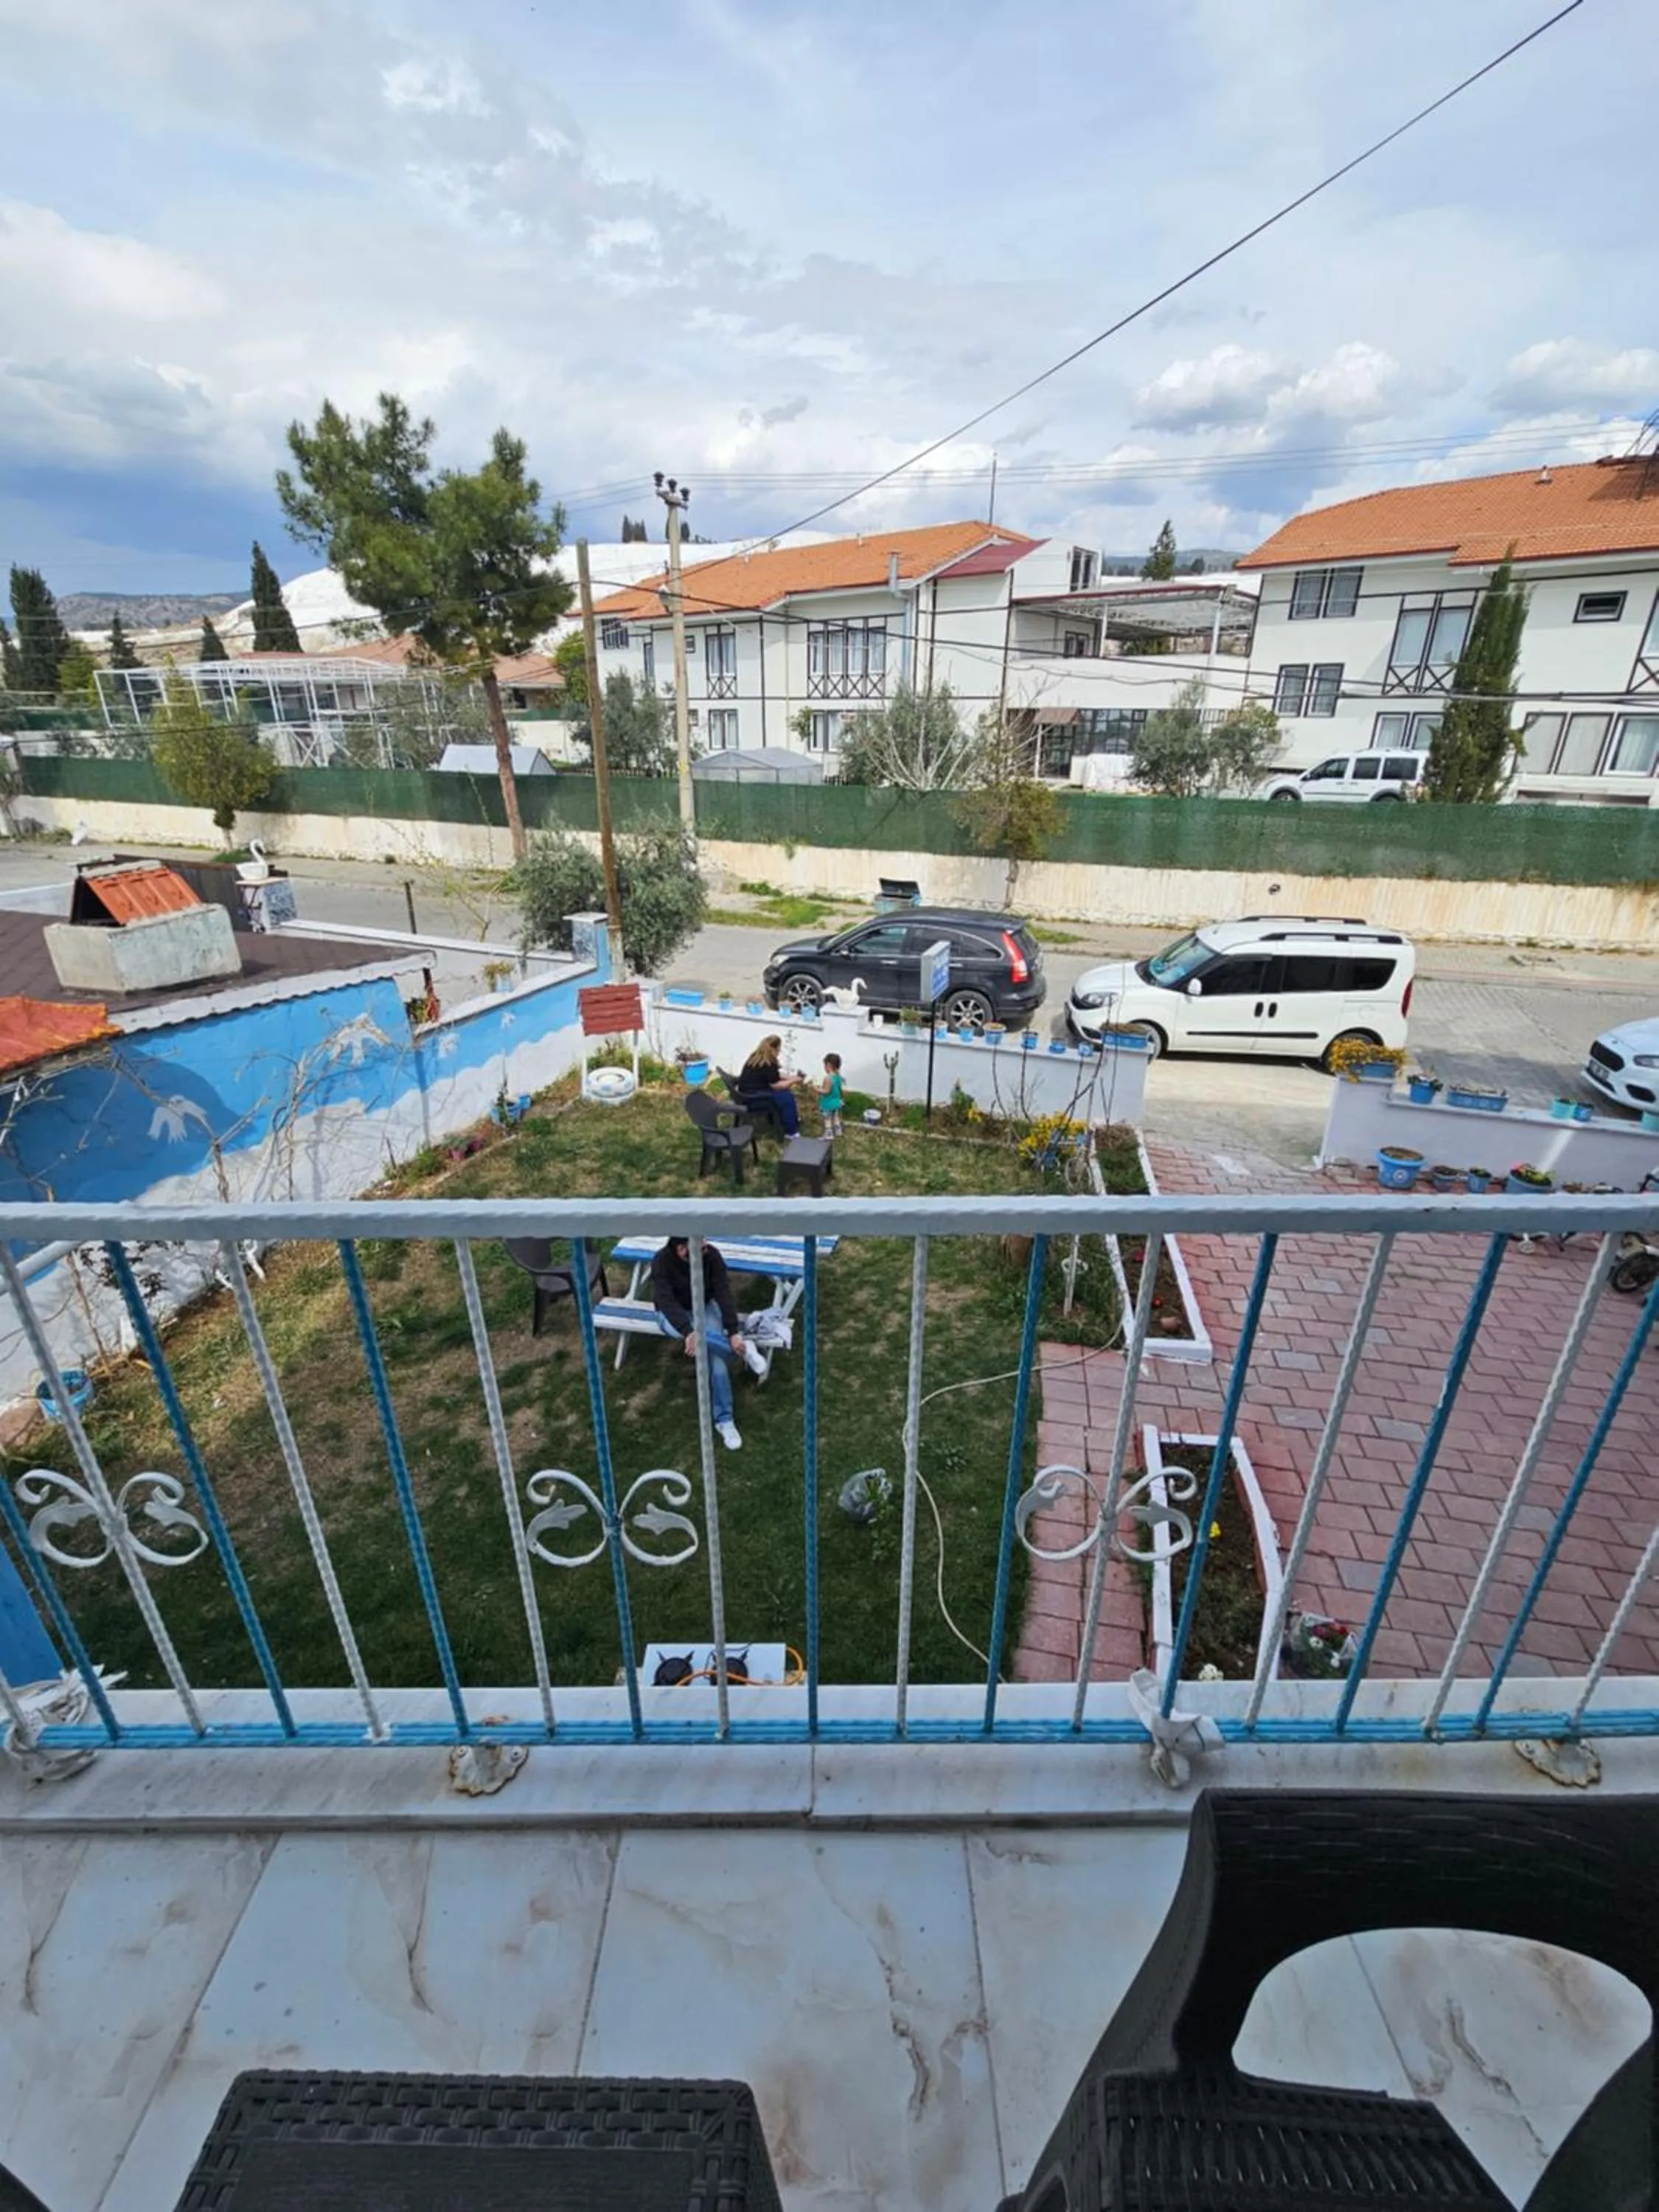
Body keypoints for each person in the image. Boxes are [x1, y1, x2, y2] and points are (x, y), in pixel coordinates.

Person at [650, 1233, 766, 1450]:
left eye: (703, 1239)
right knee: (709, 1344)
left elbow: (723, 1293)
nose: (705, 1245)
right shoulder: (661, 1262)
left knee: (718, 1362)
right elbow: (666, 1301)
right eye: (698, 1243)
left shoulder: (711, 1256)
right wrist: (688, 1332)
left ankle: (725, 1420)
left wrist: (733, 1331)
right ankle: (743, 1351)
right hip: (672, 1315)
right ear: (681, 1250)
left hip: (704, 1306)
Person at [737, 1034, 805, 1137]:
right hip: (753, 1099)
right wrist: (794, 1081)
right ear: (774, 1049)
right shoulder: (768, 1063)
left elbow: (774, 1076)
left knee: (784, 1094)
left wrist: (791, 1077)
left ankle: (790, 1119)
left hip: (745, 1093)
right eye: (779, 1050)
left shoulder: (757, 1057)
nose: (779, 1053)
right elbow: (777, 1085)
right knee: (786, 1097)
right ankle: (791, 1131)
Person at [818, 1051, 845, 1138]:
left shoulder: (828, 1078)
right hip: (836, 1102)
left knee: (828, 1119)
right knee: (836, 1117)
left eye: (825, 1065)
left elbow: (827, 1091)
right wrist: (841, 1099)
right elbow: (839, 1090)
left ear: (828, 1065)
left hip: (828, 1104)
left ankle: (829, 1134)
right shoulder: (838, 1077)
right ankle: (838, 1131)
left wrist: (817, 1090)